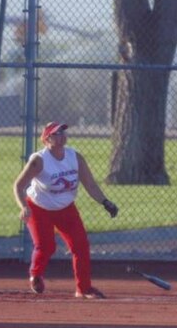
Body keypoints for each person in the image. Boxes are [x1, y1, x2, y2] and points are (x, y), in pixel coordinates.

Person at [13, 122, 119, 299]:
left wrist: (105, 202)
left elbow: (90, 184)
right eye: (56, 133)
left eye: (63, 132)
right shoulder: (39, 160)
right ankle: (36, 275)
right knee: (46, 246)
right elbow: (18, 186)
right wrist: (23, 207)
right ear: (47, 139)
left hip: (66, 208)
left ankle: (84, 289)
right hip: (39, 208)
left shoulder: (74, 157)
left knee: (81, 245)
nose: (61, 136)